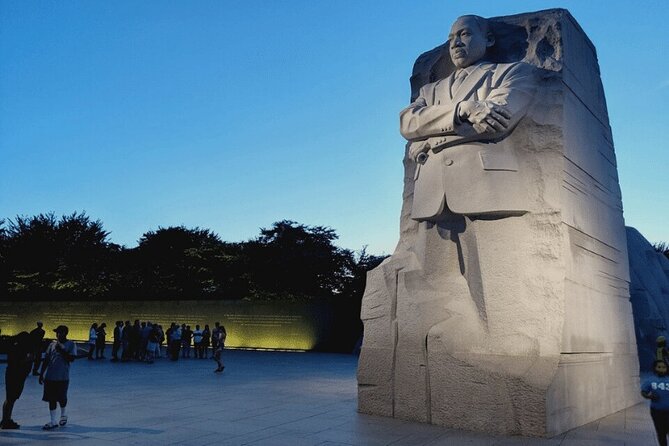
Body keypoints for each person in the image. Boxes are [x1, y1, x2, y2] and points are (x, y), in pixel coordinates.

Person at [39, 325, 77, 430]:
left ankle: (63, 414)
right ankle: (53, 421)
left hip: (62, 376)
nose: (58, 334)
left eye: (60, 332)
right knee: (51, 399)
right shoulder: (52, 345)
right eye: (57, 332)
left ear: (65, 333)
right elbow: (46, 360)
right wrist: (41, 373)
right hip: (50, 377)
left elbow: (71, 359)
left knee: (62, 397)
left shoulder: (71, 344)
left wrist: (61, 350)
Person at [1, 332, 36, 429]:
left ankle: (6, 419)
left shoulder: (13, 347)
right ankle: (6, 421)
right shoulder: (20, 350)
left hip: (12, 375)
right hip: (16, 376)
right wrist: (28, 359)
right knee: (11, 399)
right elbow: (20, 363)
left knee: (10, 399)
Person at [642, 360, 669, 446]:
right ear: (655, 368)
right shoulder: (650, 380)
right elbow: (644, 391)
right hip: (657, 411)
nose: (661, 369)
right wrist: (649, 396)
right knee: (661, 432)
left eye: (664, 367)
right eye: (659, 367)